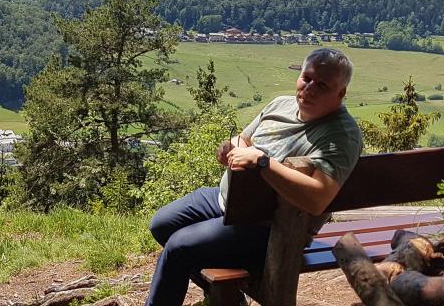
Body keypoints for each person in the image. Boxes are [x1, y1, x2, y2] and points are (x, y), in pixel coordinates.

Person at [145, 48, 363, 306]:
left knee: (179, 248)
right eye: (307, 78)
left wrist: (262, 162)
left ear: (341, 93)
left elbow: (317, 197)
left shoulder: (340, 136)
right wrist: (233, 148)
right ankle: (228, 296)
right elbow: (244, 138)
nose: (310, 89)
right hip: (227, 200)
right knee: (161, 224)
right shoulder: (281, 104)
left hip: (271, 228)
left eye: (323, 85)